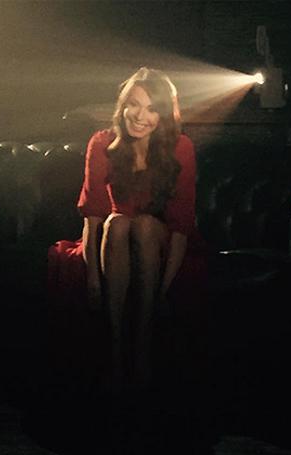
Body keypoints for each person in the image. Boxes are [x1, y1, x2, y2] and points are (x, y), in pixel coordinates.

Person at [48, 67, 206, 395]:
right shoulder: (102, 143)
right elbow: (92, 216)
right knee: (117, 222)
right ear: (122, 106)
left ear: (163, 115)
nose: (140, 116)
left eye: (151, 109)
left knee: (145, 225)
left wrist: (164, 291)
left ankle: (143, 344)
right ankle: (116, 348)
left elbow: (181, 226)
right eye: (133, 104)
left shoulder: (180, 147)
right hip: (114, 239)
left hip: (160, 242)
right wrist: (93, 280)